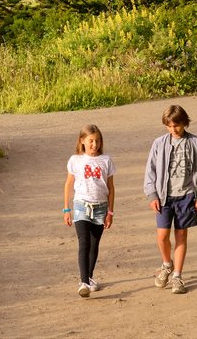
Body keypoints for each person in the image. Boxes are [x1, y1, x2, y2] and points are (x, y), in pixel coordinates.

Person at [143, 104, 197, 294]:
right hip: (164, 198)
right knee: (162, 236)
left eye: (177, 125)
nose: (174, 129)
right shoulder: (159, 143)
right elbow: (151, 171)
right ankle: (167, 264)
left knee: (181, 235)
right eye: (170, 126)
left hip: (187, 196)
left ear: (185, 123)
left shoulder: (195, 142)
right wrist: (152, 195)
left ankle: (178, 276)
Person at [63, 124, 116, 298]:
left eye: (98, 141)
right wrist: (66, 209)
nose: (95, 144)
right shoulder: (75, 160)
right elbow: (68, 185)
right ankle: (83, 281)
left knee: (94, 244)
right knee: (84, 242)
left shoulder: (106, 160)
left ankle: (90, 277)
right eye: (91, 141)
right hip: (81, 205)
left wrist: (110, 212)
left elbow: (111, 187)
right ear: (82, 141)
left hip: (101, 207)